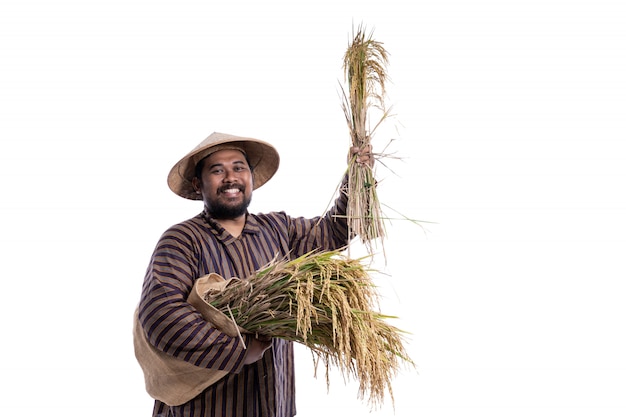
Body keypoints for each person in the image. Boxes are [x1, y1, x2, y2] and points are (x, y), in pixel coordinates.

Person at [136, 132, 373, 417]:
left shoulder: (278, 229)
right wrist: (237, 351)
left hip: (274, 405)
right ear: (198, 184)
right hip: (204, 410)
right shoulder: (182, 239)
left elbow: (336, 230)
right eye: (217, 170)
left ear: (249, 176)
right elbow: (162, 315)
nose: (230, 177)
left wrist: (357, 179)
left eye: (238, 167)